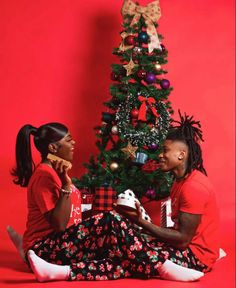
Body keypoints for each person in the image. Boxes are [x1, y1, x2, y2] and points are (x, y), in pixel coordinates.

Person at [12, 115, 220, 283]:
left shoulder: (192, 185)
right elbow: (58, 225)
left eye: (165, 150)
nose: (74, 143)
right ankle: (162, 266)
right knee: (113, 226)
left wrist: (139, 222)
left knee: (123, 253)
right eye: (68, 140)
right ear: (53, 149)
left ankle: (59, 272)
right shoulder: (46, 176)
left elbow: (183, 239)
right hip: (51, 246)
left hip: (191, 254)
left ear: (182, 155)